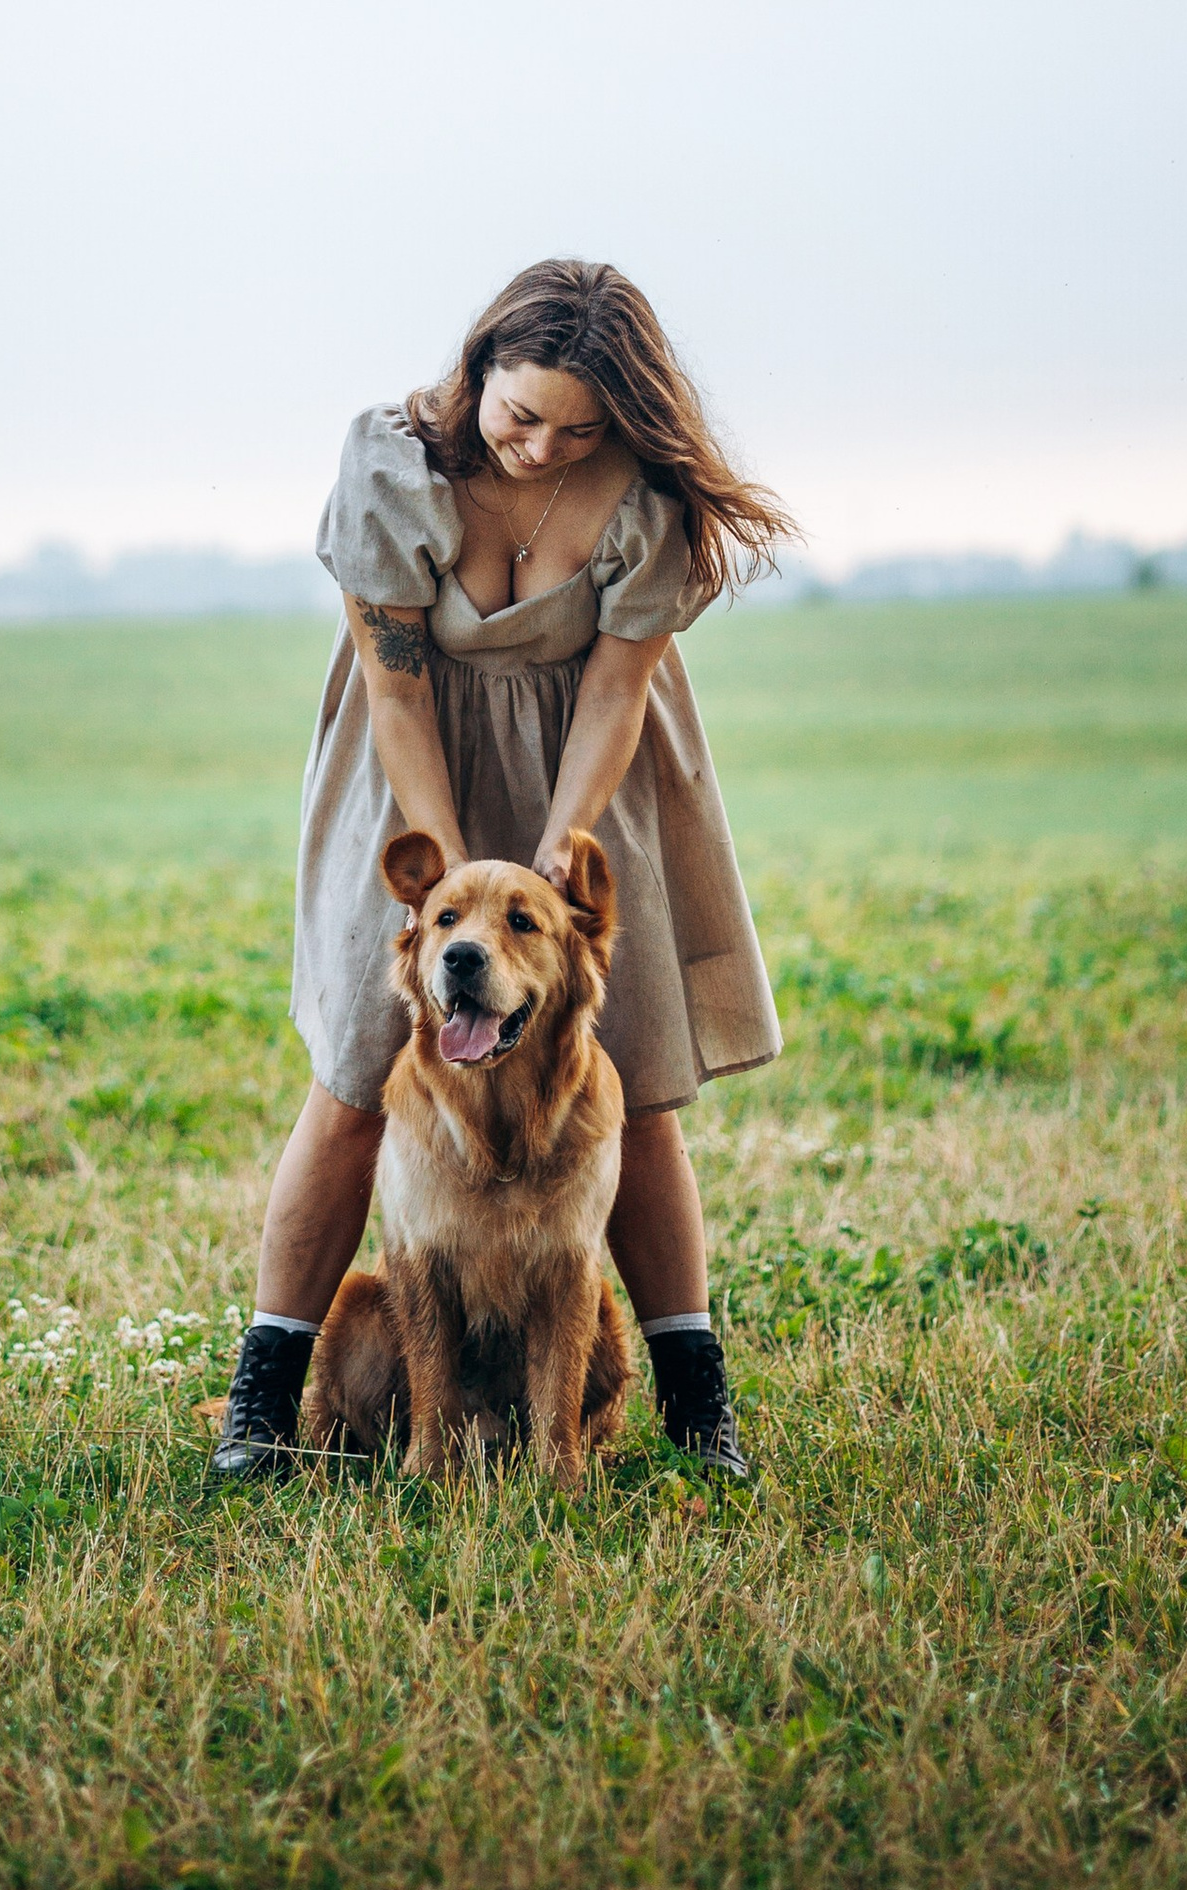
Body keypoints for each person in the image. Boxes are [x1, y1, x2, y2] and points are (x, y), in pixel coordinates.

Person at [211, 258, 791, 1485]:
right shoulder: (391, 467)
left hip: (591, 763)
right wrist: (439, 890)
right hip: (408, 759)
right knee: (362, 1072)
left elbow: (619, 688)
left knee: (630, 1075)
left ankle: (699, 1413)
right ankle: (258, 1417)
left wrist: (557, 862)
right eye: (520, 414)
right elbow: (394, 688)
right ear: (477, 369)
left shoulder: (640, 495)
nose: (540, 449)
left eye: (577, 430)